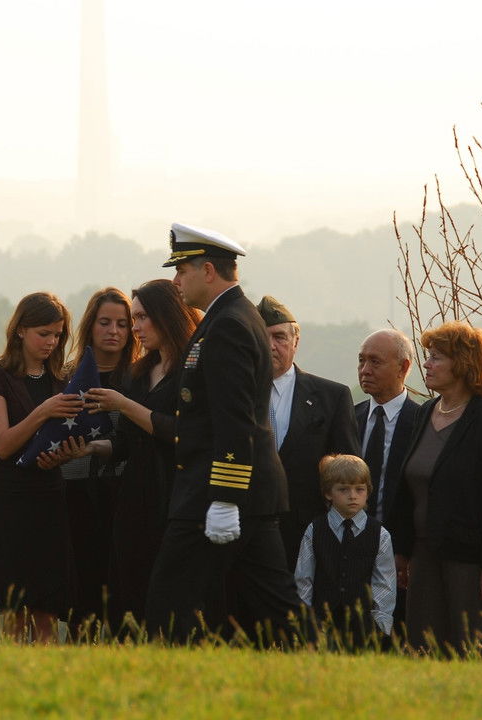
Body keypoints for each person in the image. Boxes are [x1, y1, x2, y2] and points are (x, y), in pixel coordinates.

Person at [144, 223, 299, 646]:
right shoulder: (229, 316)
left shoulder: (228, 324)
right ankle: (310, 661)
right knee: (274, 603)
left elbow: (235, 421)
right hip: (239, 489)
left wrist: (225, 497)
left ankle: (153, 678)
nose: (176, 282)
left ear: (208, 270)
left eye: (183, 271)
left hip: (219, 490)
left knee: (168, 598)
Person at [71, 279, 200, 636]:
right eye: (136, 318)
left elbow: (182, 433)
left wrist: (122, 404)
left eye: (142, 318)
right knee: (125, 598)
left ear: (167, 317)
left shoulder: (192, 372)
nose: (137, 328)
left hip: (175, 497)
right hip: (134, 499)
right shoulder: (141, 373)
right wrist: (92, 448)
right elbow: (127, 443)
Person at [388, 321, 482, 655]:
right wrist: (401, 552)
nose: (427, 364)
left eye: (436, 358)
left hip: (469, 563)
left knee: (471, 652)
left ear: (462, 364)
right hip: (424, 556)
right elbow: (407, 487)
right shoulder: (426, 412)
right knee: (425, 650)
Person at [0, 292, 84, 643]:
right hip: (11, 498)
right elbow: (3, 444)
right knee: (15, 605)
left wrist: (67, 452)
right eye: (44, 334)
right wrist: (44, 411)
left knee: (47, 607)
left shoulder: (63, 379)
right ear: (21, 330)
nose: (51, 342)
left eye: (57, 335)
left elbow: (70, 438)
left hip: (52, 496)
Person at [257, 295, 358, 567]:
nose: (270, 346)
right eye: (261, 337)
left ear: (296, 341)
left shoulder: (331, 396)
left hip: (310, 536)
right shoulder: (234, 394)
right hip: (248, 530)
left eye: (279, 337)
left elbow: (348, 470)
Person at [60, 287, 136, 634]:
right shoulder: (65, 377)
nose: (114, 331)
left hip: (124, 494)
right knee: (82, 594)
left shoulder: (140, 379)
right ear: (90, 325)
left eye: (122, 324)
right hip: (73, 494)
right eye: (105, 322)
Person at [355, 328, 422, 628]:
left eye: (375, 362)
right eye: (361, 361)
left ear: (403, 367)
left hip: (402, 558)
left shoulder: (424, 422)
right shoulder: (347, 417)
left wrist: (403, 550)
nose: (365, 370)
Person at [293, 454, 396, 648]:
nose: (353, 496)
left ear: (368, 491)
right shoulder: (315, 530)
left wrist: (380, 627)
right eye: (343, 489)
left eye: (359, 489)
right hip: (322, 622)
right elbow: (304, 578)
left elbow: (385, 583)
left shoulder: (380, 534)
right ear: (328, 493)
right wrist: (305, 621)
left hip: (364, 625)